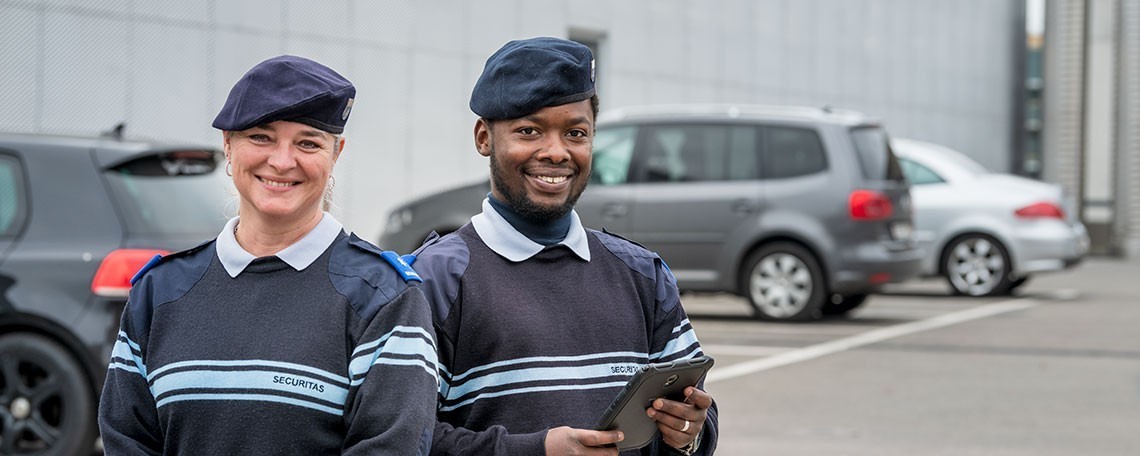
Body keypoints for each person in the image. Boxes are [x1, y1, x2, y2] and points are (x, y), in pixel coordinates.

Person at [98, 55, 439, 455]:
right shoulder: (159, 292)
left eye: (308, 143)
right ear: (228, 143)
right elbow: (127, 442)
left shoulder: (384, 298)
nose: (281, 161)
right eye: (261, 137)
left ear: (336, 154)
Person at [411, 37, 718, 455]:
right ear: (484, 137)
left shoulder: (643, 274)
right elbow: (403, 438)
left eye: (575, 132)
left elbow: (697, 416)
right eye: (529, 131)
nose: (556, 152)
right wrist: (535, 451)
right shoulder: (434, 280)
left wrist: (691, 431)